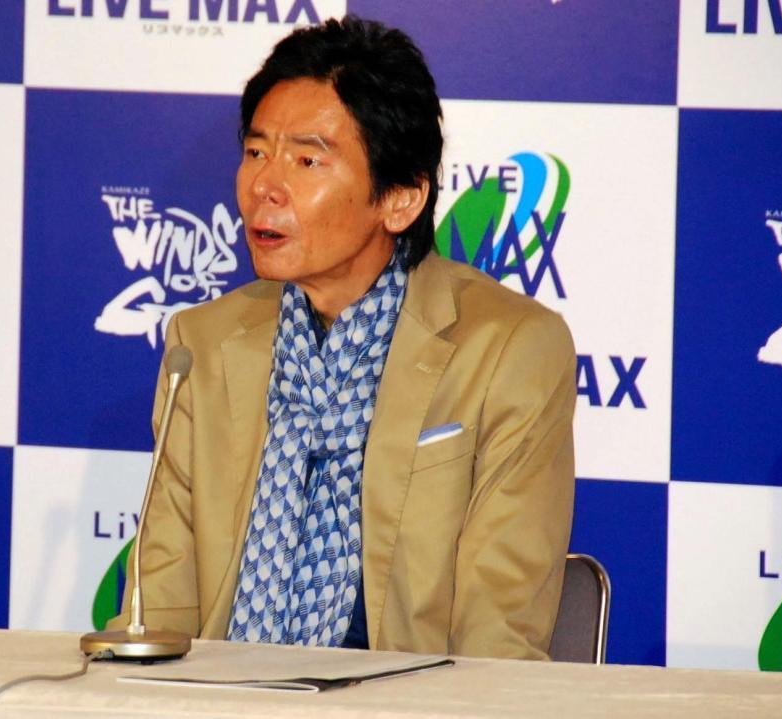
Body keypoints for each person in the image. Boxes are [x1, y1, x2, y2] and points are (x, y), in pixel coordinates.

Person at [111, 15, 576, 660]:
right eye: (256, 153)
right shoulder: (203, 345)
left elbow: (497, 638)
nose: (264, 187)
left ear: (401, 199)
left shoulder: (508, 349)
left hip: (410, 698)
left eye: (307, 160)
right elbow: (157, 611)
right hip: (220, 693)